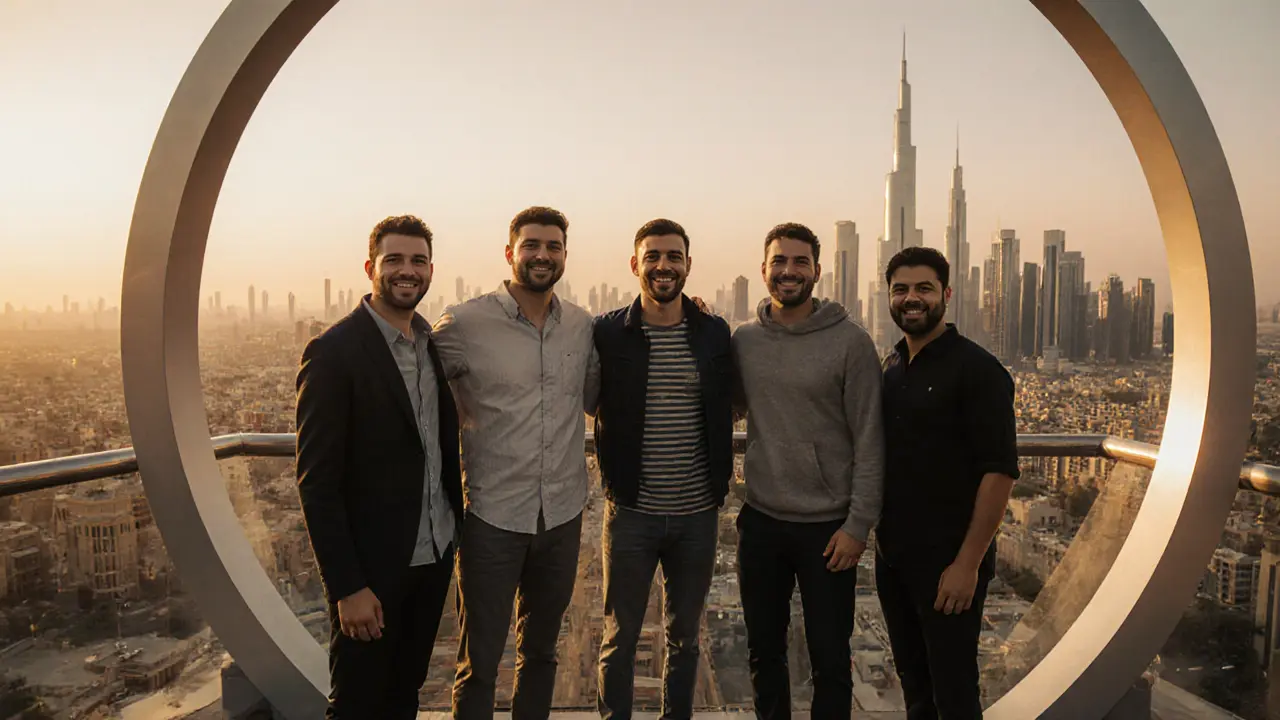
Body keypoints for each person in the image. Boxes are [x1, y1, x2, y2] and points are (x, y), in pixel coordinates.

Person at [433, 205, 599, 720]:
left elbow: (600, 394)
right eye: (531, 245)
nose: (542, 256)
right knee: (478, 662)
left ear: (566, 256)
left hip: (562, 516)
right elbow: (412, 377)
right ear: (510, 254)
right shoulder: (464, 323)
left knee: (542, 653)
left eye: (553, 247)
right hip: (492, 518)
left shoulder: (582, 327)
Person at [295, 215, 463, 719]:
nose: (406, 271)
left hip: (432, 558)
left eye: (417, 261)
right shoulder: (334, 353)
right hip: (372, 571)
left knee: (403, 693)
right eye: (394, 260)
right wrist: (346, 587)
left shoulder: (432, 345)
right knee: (358, 702)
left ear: (431, 271)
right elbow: (316, 482)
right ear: (371, 268)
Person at [731, 222, 885, 720]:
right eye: (779, 261)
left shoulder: (852, 343)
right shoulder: (745, 340)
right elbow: (723, 405)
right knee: (764, 654)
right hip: (761, 521)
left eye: (800, 262)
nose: (789, 271)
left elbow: (869, 437)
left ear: (818, 271)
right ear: (763, 270)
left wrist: (858, 526)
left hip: (828, 529)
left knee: (831, 660)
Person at [592, 218, 733, 719]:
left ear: (689, 265)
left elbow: (731, 403)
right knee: (620, 639)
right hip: (631, 511)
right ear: (635, 265)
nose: (663, 266)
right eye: (652, 256)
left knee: (686, 640)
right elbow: (588, 396)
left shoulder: (714, 331)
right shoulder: (609, 332)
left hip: (698, 513)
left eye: (674, 256)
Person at [875, 246, 1020, 720]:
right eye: (901, 290)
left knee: (953, 692)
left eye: (923, 289)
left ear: (946, 295)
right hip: (893, 558)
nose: (911, 299)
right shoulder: (892, 366)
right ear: (888, 297)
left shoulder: (978, 370)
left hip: (947, 563)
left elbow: (999, 472)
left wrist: (968, 564)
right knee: (915, 687)